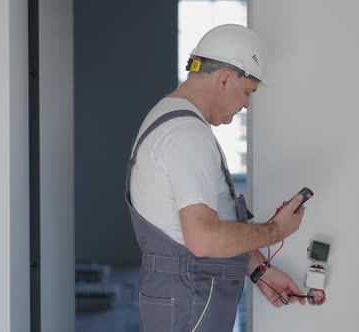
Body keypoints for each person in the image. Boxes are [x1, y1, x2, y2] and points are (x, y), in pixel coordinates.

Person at [125, 24, 307, 332]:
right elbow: (203, 238)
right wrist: (276, 230)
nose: (247, 105)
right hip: (189, 298)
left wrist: (258, 270)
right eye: (247, 92)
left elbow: (198, 227)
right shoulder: (186, 136)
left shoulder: (174, 122)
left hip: (185, 296)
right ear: (225, 79)